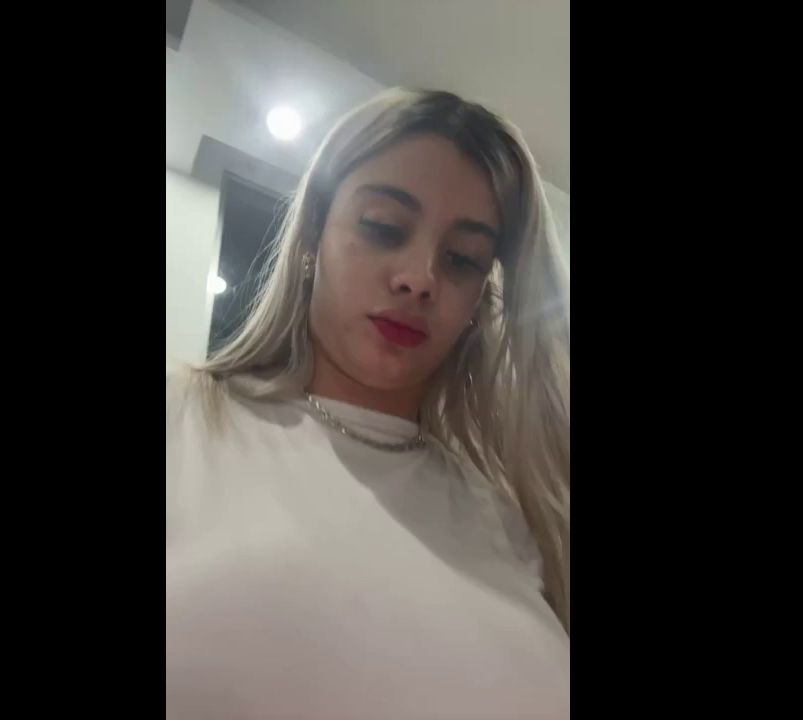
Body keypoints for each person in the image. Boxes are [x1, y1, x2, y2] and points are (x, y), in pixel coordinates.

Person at [166, 88, 569, 719]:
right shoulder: (185, 422)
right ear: (312, 234)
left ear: (479, 302)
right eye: (384, 228)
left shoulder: (503, 514)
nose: (420, 278)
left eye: (462, 260)